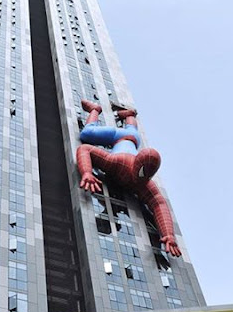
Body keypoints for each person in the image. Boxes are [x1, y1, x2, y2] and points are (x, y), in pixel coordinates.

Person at [76, 99, 181, 257]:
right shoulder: (119, 162)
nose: (142, 178)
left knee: (132, 131)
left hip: (134, 137)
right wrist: (87, 172)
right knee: (86, 133)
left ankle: (130, 115)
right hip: (119, 136)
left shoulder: (146, 183)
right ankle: (95, 110)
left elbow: (160, 204)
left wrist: (169, 234)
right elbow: (84, 148)